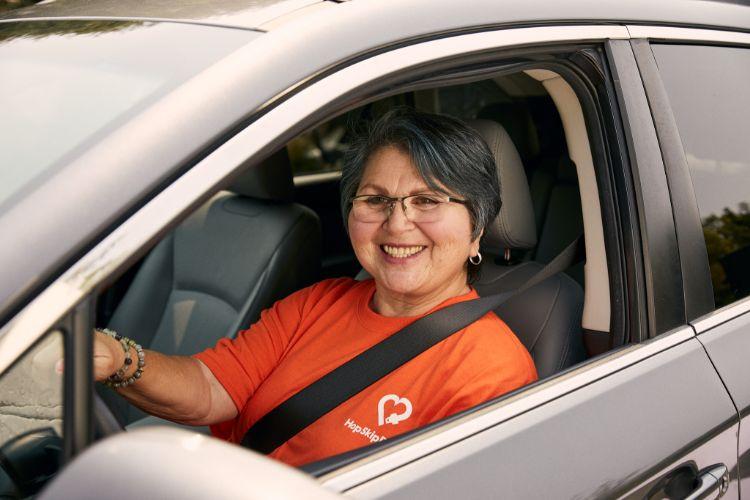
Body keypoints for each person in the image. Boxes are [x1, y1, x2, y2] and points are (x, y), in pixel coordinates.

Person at [93, 108, 538, 467]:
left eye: (426, 201)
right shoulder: (318, 303)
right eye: (376, 199)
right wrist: (117, 358)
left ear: (476, 229)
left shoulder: (490, 371)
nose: (397, 223)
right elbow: (212, 389)